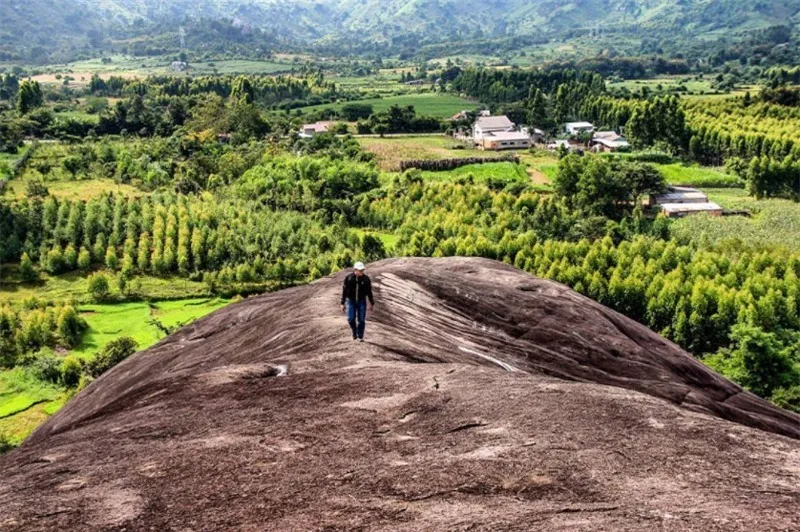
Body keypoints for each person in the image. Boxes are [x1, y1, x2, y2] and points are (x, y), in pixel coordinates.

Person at [340, 262, 374, 342]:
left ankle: (360, 336)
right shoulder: (349, 278)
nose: (361, 271)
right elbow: (344, 291)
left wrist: (371, 302)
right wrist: (342, 303)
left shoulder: (366, 279)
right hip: (350, 301)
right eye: (360, 270)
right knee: (350, 318)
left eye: (362, 270)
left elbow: (369, 291)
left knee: (361, 320)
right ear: (355, 270)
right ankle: (354, 331)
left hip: (361, 301)